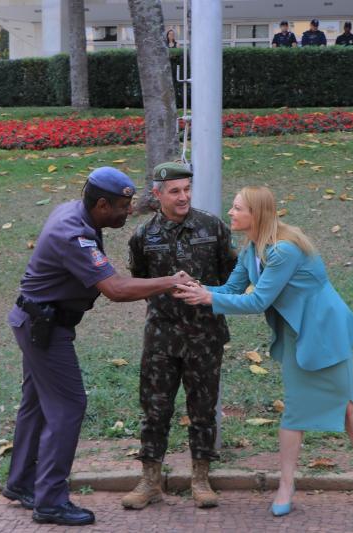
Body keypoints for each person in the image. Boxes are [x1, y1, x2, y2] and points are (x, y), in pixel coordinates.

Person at [174, 186, 353, 517]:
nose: (230, 212)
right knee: (295, 409)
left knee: (347, 403)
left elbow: (259, 301)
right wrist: (198, 288)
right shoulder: (251, 250)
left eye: (237, 208)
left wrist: (208, 299)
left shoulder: (284, 250)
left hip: (325, 330)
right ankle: (286, 486)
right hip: (295, 335)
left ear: (256, 215)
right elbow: (231, 290)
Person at [4, 167, 193, 526]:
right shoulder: (72, 234)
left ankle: (22, 483)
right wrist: (169, 282)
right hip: (45, 328)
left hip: (36, 321)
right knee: (68, 405)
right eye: (123, 206)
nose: (128, 211)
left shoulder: (74, 212)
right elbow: (116, 289)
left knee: (37, 405)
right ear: (102, 204)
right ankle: (50, 501)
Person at [122, 163, 236, 510]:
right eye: (174, 191)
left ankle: (200, 479)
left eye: (187, 189)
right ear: (157, 195)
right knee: (154, 411)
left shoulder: (212, 227)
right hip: (161, 337)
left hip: (205, 335)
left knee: (202, 409)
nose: (183, 196)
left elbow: (231, 277)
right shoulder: (144, 236)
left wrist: (207, 292)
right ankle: (150, 481)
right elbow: (140, 280)